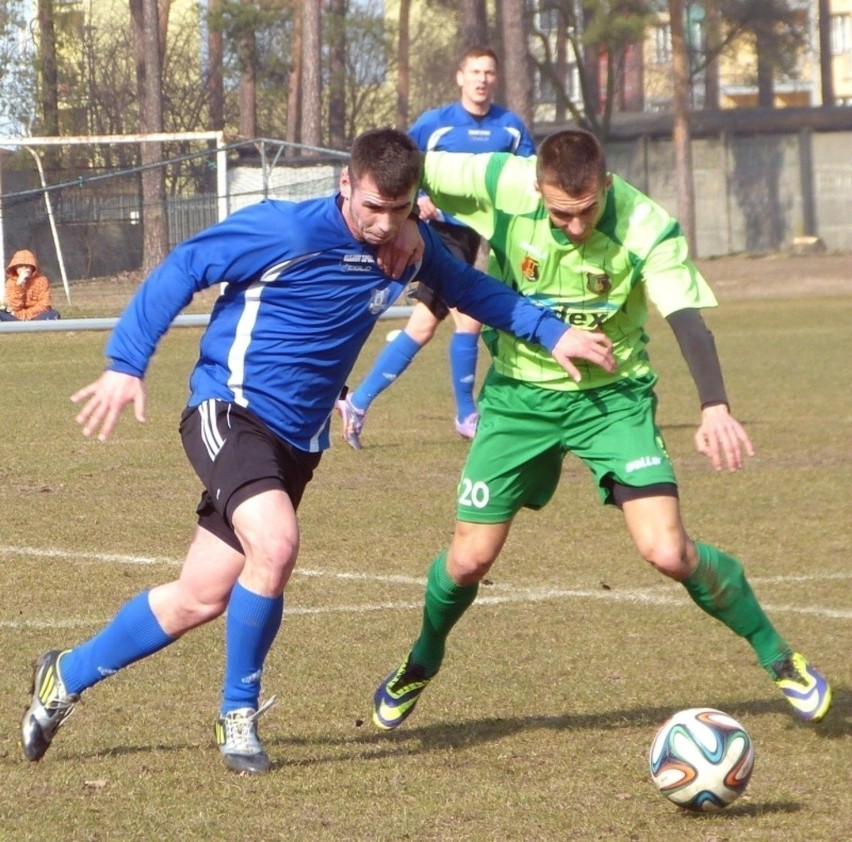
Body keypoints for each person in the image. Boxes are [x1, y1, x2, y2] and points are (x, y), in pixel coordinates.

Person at [20, 128, 615, 775]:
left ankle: (64, 675)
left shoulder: (408, 248)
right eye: (371, 209)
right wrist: (126, 361)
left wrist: (552, 332)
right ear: (344, 187)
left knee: (199, 595)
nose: (384, 225)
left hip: (298, 442)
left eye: (399, 209)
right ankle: (237, 714)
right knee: (275, 545)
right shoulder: (287, 232)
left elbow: (476, 292)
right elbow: (186, 266)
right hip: (230, 408)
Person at [371, 129, 833, 732]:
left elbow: (686, 318)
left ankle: (780, 658)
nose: (576, 227)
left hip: (612, 398)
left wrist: (715, 405)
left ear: (606, 186)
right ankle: (422, 660)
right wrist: (405, 221)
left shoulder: (644, 223)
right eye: (561, 213)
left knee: (668, 550)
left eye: (587, 211)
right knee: (467, 562)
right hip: (519, 397)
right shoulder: (498, 181)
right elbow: (404, 164)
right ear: (536, 187)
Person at [337, 45, 535, 449]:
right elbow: (399, 166)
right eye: (475, 71)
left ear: (495, 79)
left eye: (489, 72)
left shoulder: (511, 127)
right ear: (460, 77)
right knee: (453, 322)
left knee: (434, 325)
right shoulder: (436, 124)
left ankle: (362, 401)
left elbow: (530, 175)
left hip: (489, 235)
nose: (482, 79)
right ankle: (463, 414)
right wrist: (419, 199)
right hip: (443, 235)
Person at [0, 249, 61, 322]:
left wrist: (27, 315)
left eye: (27, 266)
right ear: (15, 267)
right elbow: (13, 306)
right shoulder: (11, 282)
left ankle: (32, 324)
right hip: (15, 315)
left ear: (33, 267)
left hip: (36, 315)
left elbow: (45, 303)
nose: (24, 269)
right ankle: (17, 325)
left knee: (53, 314)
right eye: (20, 266)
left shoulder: (42, 280)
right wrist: (18, 285)